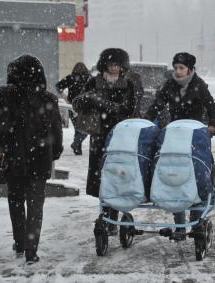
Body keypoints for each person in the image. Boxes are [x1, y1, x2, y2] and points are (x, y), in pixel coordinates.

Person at [0, 55, 63, 264]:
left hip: (13, 158)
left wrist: (9, 128)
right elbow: (56, 131)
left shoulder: (5, 94)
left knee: (16, 201)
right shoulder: (48, 99)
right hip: (40, 159)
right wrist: (54, 152)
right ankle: (31, 250)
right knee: (36, 203)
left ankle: (20, 242)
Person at [145, 52, 215, 239]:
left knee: (197, 176)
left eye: (182, 68)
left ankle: (195, 222)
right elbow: (157, 106)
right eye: (176, 67)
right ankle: (180, 225)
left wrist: (212, 126)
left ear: (190, 69)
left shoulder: (199, 86)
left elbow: (212, 109)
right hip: (175, 135)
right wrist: (146, 121)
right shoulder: (169, 86)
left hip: (195, 136)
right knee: (176, 176)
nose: (178, 72)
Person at [72, 48, 135, 235]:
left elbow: (129, 110)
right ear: (104, 65)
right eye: (111, 64)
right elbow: (77, 103)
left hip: (119, 136)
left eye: (117, 65)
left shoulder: (127, 85)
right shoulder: (94, 82)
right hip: (98, 136)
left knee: (116, 176)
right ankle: (105, 215)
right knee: (102, 177)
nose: (114, 68)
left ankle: (112, 218)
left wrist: (105, 104)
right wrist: (89, 98)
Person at [56, 62, 91, 155]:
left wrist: (65, 97)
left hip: (73, 106)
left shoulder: (70, 77)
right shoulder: (89, 78)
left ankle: (77, 146)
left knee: (78, 128)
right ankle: (76, 145)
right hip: (85, 107)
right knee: (86, 128)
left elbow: (58, 86)